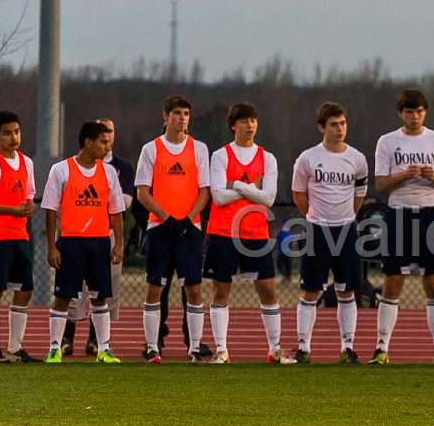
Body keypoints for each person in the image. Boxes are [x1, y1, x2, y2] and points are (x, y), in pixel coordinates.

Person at [371, 89, 434, 365]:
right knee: (393, 281)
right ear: (401, 113)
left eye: (419, 111)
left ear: (425, 112)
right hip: (398, 214)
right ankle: (382, 347)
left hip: (430, 213)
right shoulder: (387, 141)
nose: (415, 116)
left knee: (433, 281)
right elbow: (381, 185)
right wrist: (403, 174)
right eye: (409, 111)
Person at [204, 102, 288, 364]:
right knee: (221, 291)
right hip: (223, 231)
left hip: (255, 233)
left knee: (268, 290)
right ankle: (221, 350)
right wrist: (252, 188)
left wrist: (237, 185)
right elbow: (218, 196)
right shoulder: (221, 156)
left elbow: (269, 198)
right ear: (233, 126)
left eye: (253, 120)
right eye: (244, 121)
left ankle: (275, 349)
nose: (250, 125)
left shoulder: (267, 157)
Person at [41, 121, 126, 364]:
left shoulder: (109, 172)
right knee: (64, 297)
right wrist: (52, 245)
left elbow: (116, 211)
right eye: (101, 140)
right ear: (88, 143)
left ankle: (104, 349)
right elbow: (50, 210)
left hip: (99, 244)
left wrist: (118, 244)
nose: (106, 145)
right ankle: (55, 348)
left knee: (100, 298)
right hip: (71, 243)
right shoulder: (61, 169)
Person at [135, 96, 211, 363]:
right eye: (177, 113)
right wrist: (167, 218)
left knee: (194, 289)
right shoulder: (151, 149)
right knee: (155, 287)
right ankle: (153, 347)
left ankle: (195, 347)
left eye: (187, 113)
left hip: (189, 229)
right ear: (165, 117)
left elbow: (204, 191)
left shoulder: (199, 149)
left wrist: (188, 220)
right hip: (160, 228)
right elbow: (143, 193)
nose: (182, 118)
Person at [292, 102, 369, 364]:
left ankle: (347, 347)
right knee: (310, 290)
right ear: (321, 127)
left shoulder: (357, 159)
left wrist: (347, 215)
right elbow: (298, 193)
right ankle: (303, 347)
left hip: (346, 230)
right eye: (334, 124)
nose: (340, 129)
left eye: (343, 123)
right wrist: (314, 217)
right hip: (317, 231)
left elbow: (360, 193)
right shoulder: (308, 158)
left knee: (347, 292)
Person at [63, 117, 136, 356]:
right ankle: (66, 337)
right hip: (77, 234)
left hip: (106, 234)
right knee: (73, 291)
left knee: (105, 289)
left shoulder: (121, 168)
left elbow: (122, 203)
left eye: (111, 131)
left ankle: (97, 340)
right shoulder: (69, 167)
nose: (107, 137)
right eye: (102, 133)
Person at [0, 111, 39, 363]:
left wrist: (28, 206)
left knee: (25, 289)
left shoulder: (27, 162)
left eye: (17, 131)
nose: (14, 137)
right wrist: (12, 210)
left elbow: (29, 193)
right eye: (8, 133)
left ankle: (15, 347)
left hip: (19, 236)